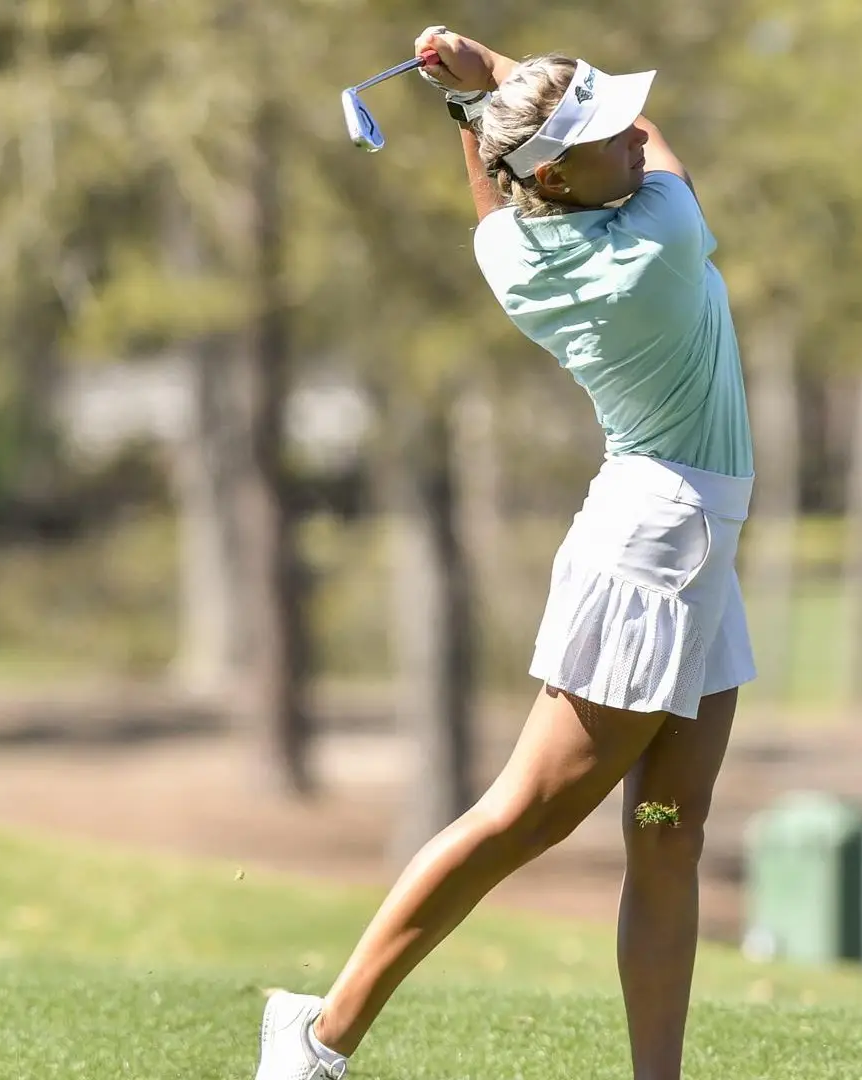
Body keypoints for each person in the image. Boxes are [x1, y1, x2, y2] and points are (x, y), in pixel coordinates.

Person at [253, 24, 756, 1080]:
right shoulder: (659, 239)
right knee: (522, 815)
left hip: (690, 550)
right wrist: (492, 72)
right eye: (605, 132)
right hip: (654, 558)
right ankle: (320, 1033)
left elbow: (500, 195)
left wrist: (472, 105)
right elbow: (663, 146)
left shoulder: (518, 252)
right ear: (567, 172)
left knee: (669, 829)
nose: (631, 134)